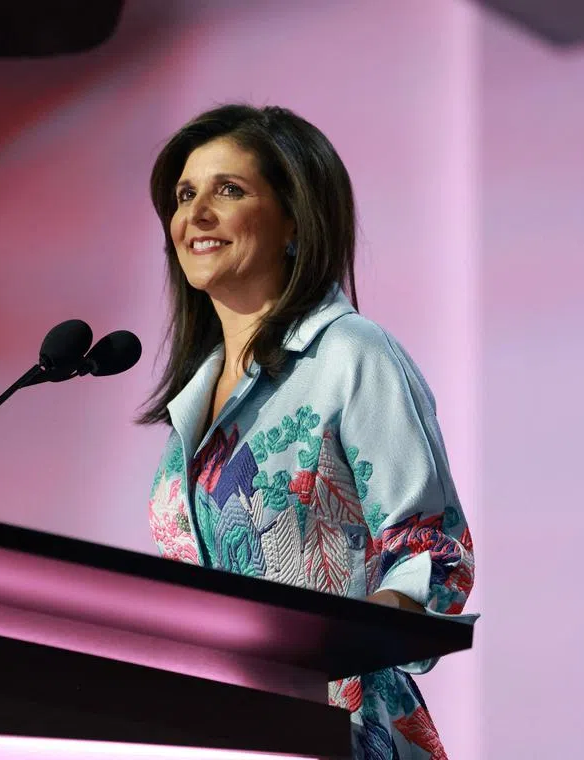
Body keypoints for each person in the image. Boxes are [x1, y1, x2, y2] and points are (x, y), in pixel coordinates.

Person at [139, 103, 477, 760]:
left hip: (340, 728)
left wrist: (340, 644)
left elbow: (433, 550)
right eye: (184, 195)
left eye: (227, 190)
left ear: (294, 219)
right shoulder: (195, 398)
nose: (195, 214)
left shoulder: (350, 354)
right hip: (219, 735)